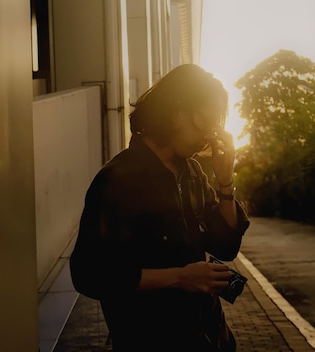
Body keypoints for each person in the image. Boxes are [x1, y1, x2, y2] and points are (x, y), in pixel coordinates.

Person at [70, 63, 250, 352]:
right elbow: (89, 274)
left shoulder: (192, 172)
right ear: (176, 111)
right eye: (205, 122)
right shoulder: (118, 180)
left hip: (211, 337)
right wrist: (180, 277)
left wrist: (226, 182)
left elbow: (226, 246)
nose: (208, 137)